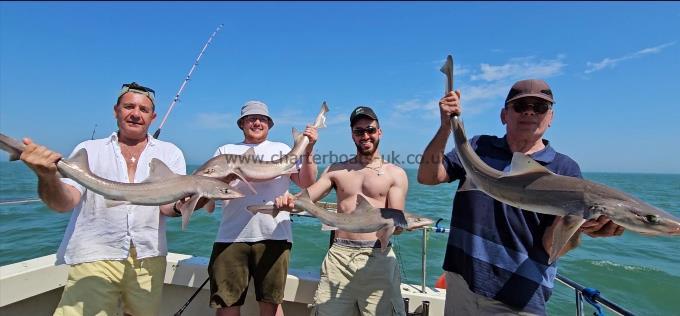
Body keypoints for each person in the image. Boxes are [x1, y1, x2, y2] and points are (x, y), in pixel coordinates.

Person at [417, 79, 625, 315]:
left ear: (551, 117)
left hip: (518, 298)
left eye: (539, 107)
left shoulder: (565, 170)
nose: (529, 111)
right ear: (504, 115)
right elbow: (427, 176)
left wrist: (581, 226)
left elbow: (551, 246)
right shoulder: (477, 147)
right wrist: (446, 126)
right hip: (461, 283)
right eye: (520, 106)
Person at [19, 82, 187, 316]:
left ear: (153, 117)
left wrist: (184, 205)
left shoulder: (170, 153)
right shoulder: (89, 149)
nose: (136, 114)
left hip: (148, 256)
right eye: (129, 107)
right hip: (95, 254)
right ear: (116, 110)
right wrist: (47, 177)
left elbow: (167, 207)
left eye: (143, 110)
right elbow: (64, 203)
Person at [274, 106, 408, 316]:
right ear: (352, 135)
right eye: (359, 131)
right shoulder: (336, 170)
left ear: (379, 132)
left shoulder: (396, 174)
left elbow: (398, 221)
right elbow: (306, 197)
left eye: (370, 130)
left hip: (378, 258)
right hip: (339, 258)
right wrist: (286, 201)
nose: (365, 135)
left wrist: (399, 226)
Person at [206, 100, 318, 316]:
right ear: (241, 124)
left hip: (274, 235)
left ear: (269, 124)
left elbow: (306, 182)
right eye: (251, 118)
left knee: (271, 305)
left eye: (262, 119)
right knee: (226, 307)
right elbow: (210, 188)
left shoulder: (282, 149)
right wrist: (228, 177)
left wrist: (309, 148)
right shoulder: (226, 151)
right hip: (231, 237)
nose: (257, 122)